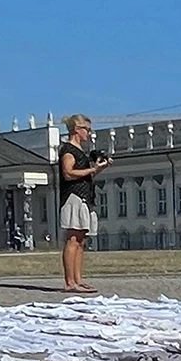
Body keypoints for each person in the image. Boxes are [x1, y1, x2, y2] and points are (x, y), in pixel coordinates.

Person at [57, 114, 109, 294]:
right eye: (86, 129)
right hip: (73, 197)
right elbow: (68, 173)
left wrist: (98, 168)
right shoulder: (68, 150)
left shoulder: (80, 151)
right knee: (73, 238)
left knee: (81, 239)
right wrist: (92, 169)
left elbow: (85, 175)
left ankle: (78, 280)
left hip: (85, 196)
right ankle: (69, 282)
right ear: (76, 130)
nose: (89, 133)